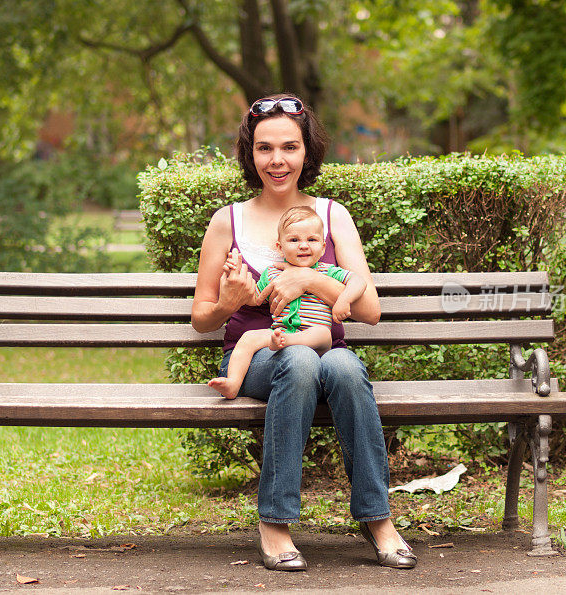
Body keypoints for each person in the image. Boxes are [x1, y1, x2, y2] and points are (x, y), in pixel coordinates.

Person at [191, 94, 416, 571]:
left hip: (324, 347)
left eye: (289, 147)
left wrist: (309, 279)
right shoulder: (226, 220)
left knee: (342, 366)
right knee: (296, 361)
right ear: (249, 153)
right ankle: (274, 521)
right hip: (259, 356)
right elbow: (202, 317)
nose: (277, 160)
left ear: (306, 152)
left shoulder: (332, 216)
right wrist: (229, 304)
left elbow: (370, 310)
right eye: (265, 148)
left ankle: (377, 518)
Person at [207, 205, 366, 400]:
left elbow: (358, 281)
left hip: (316, 339)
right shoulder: (273, 273)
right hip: (280, 333)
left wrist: (344, 300)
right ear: (280, 247)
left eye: (312, 239)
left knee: (324, 332)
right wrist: (235, 281)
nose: (304, 245)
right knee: (248, 338)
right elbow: (255, 299)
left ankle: (286, 343)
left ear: (323, 247)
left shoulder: (328, 271)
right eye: (294, 240)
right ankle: (233, 383)